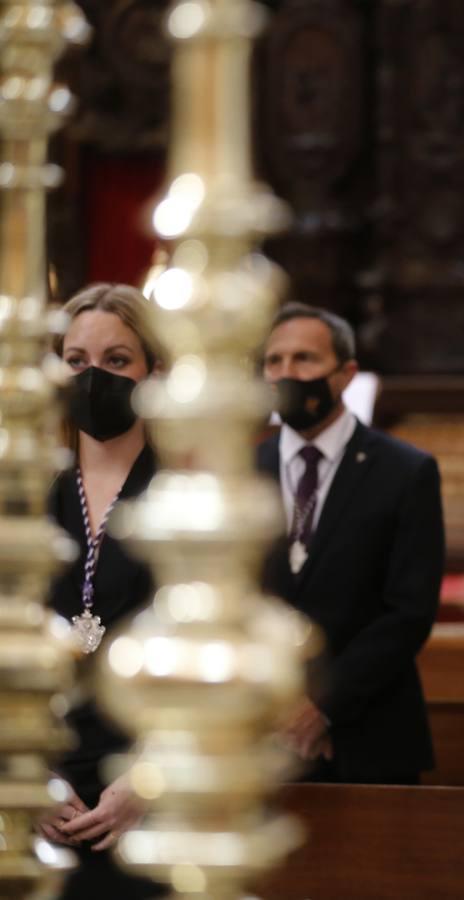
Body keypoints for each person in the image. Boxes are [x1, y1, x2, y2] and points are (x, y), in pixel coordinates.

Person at [257, 303, 444, 784]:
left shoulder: (406, 471)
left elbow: (409, 610)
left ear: (345, 374)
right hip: (257, 735)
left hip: (368, 733)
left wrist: (322, 706)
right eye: (273, 361)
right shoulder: (239, 469)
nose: (287, 373)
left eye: (305, 359)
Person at [44, 283, 166, 899]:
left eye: (117, 361)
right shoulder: (24, 500)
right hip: (38, 797)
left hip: (149, 803)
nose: (94, 377)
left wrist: (148, 780)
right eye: (76, 361)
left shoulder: (183, 503)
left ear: (154, 373)